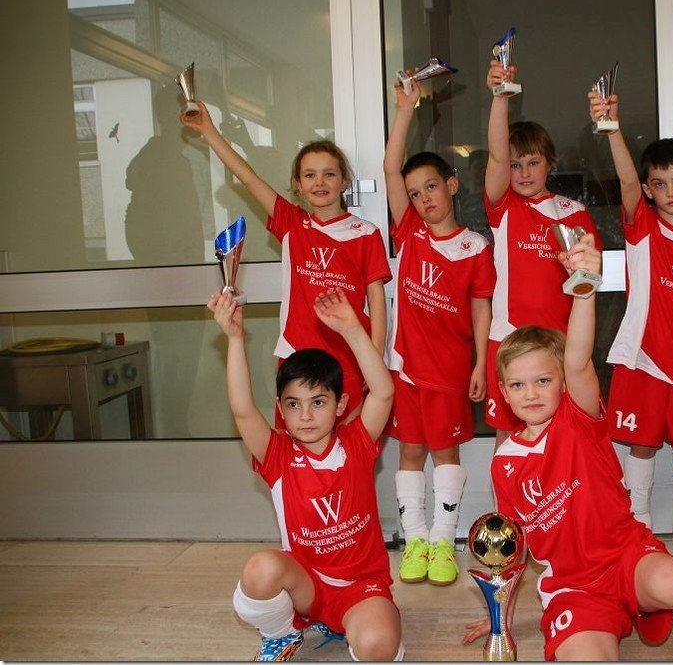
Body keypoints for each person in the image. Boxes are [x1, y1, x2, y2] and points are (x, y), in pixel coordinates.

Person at [464, 234, 673, 662]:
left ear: (562, 383)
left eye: (543, 380)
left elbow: (578, 358)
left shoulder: (577, 419)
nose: (530, 393)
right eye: (517, 385)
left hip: (628, 558)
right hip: (574, 589)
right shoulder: (504, 465)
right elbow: (514, 548)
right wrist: (502, 615)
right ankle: (616, 620)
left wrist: (584, 288)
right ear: (503, 393)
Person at [208, 287, 402, 661]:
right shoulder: (278, 455)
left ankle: (355, 621)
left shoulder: (357, 443)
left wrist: (353, 330)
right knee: (260, 570)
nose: (307, 415)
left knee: (377, 647)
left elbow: (383, 393)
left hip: (361, 586)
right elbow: (243, 409)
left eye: (318, 402)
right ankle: (282, 632)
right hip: (306, 586)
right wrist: (234, 338)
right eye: (294, 405)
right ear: (281, 410)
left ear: (340, 405)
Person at [183, 103, 391, 421]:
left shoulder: (366, 233)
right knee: (296, 443)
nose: (319, 182)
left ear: (344, 181)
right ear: (298, 184)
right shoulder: (292, 224)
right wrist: (209, 131)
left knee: (350, 446)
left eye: (329, 174)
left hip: (351, 359)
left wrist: (374, 358)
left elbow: (377, 299)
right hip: (296, 356)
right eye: (309, 175)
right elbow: (247, 177)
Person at [588, 90, 673, 536]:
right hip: (642, 361)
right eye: (659, 184)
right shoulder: (642, 228)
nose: (671, 192)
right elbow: (626, 182)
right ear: (648, 190)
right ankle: (638, 529)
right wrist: (612, 128)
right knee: (641, 448)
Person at [383, 78, 497, 586]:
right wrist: (405, 108)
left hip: (450, 370)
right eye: (414, 194)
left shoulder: (476, 247)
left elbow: (480, 309)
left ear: (451, 185)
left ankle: (444, 540)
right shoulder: (409, 232)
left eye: (430, 186)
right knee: (410, 452)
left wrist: (480, 364)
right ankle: (416, 542)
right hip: (405, 367)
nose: (423, 198)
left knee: (446, 453)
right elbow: (391, 166)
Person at [482, 57, 601, 448]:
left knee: (565, 432)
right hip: (507, 337)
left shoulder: (573, 212)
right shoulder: (503, 206)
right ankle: (510, 492)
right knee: (509, 434)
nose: (523, 173)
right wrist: (500, 97)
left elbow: (588, 280)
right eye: (515, 164)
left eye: (533, 162)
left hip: (560, 342)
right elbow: (496, 156)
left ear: (550, 163)